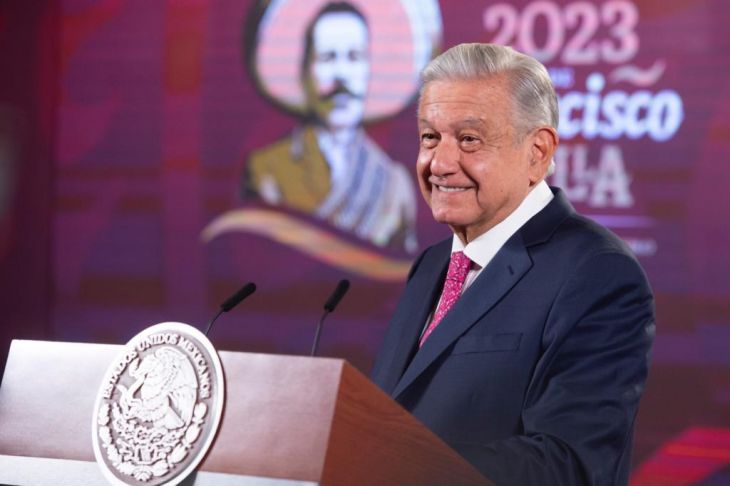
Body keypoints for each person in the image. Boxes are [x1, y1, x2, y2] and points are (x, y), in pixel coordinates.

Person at [370, 43, 655, 485]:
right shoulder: (432, 264)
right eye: (430, 137)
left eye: (469, 139)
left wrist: (399, 466)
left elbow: (569, 465)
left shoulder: (598, 272)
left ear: (537, 151)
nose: (439, 164)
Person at [244, 2, 418, 252]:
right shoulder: (267, 172)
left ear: (369, 70)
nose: (341, 74)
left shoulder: (393, 184)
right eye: (327, 58)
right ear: (305, 72)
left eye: (354, 57)